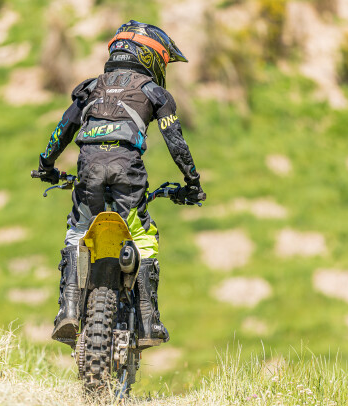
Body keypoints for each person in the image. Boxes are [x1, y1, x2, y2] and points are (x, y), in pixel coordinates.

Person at [35, 20, 206, 349]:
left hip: (87, 167)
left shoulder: (90, 87)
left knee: (78, 230)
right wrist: (192, 181)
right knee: (143, 235)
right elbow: (176, 142)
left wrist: (46, 165)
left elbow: (63, 129)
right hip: (127, 169)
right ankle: (148, 321)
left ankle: (68, 310)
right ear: (150, 56)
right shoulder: (154, 92)